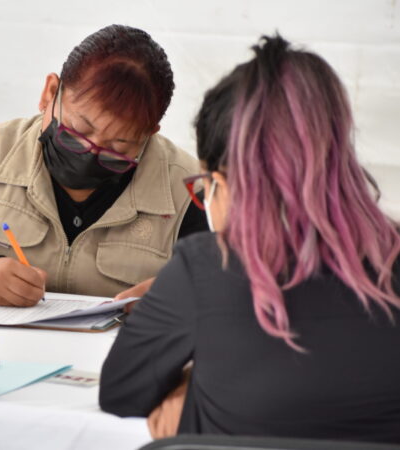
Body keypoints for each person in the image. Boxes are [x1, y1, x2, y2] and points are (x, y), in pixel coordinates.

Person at [99, 35, 400, 443]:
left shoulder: (203, 266)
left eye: (205, 184)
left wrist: (194, 386)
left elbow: (121, 392)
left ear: (223, 183)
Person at [0, 25, 207, 307]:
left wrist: (181, 297)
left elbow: (223, 285)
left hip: (117, 361)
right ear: (50, 93)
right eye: (78, 131)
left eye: (118, 147)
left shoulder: (186, 188)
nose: (89, 152)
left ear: (149, 135)